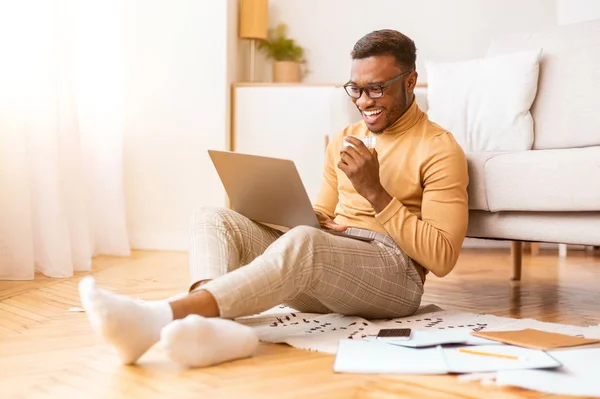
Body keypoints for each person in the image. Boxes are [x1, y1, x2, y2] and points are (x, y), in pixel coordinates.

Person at [79, 29, 469, 368]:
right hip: (327, 265)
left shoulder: (439, 148)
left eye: (376, 88)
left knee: (306, 242)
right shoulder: (344, 139)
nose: (364, 101)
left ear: (410, 81)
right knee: (212, 216)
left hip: (394, 279)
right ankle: (214, 329)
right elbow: (321, 213)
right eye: (356, 89)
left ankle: (162, 317)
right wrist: (290, 213)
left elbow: (441, 257)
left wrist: (374, 191)